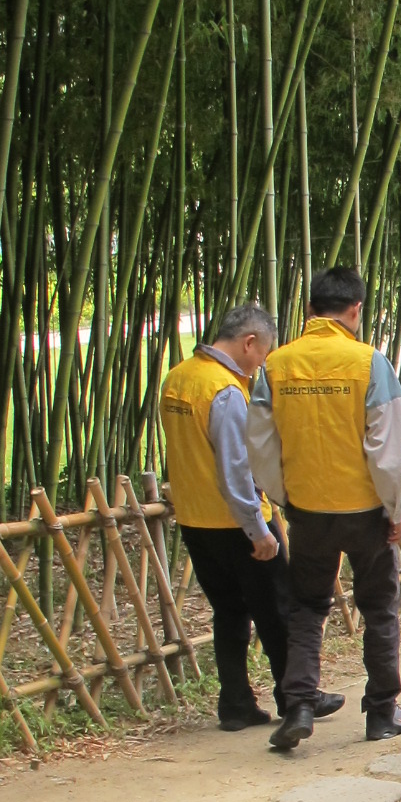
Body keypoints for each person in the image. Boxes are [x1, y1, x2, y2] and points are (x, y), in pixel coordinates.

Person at [247, 266, 401, 752]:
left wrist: (286, 497)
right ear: (355, 310)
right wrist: (395, 509)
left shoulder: (276, 366)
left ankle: (298, 703)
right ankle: (382, 712)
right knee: (380, 609)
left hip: (309, 511)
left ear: (310, 310)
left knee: (306, 609)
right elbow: (386, 452)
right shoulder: (370, 363)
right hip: (365, 511)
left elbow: (259, 446)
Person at [159, 303, 343, 733]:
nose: (262, 364)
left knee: (229, 612)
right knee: (278, 609)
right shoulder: (224, 391)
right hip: (237, 522)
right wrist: (258, 529)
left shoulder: (179, 377)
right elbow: (236, 469)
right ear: (248, 342)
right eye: (263, 354)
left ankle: (236, 703)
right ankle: (297, 696)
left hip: (195, 519)